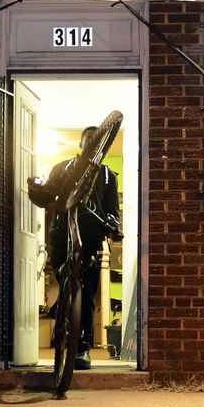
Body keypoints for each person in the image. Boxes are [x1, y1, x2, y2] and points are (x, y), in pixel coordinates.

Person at [27, 126, 121, 370]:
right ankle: (63, 306)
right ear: (81, 144)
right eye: (89, 141)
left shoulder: (108, 174)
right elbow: (48, 195)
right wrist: (35, 190)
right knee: (65, 278)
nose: (92, 145)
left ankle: (82, 348)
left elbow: (112, 209)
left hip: (91, 238)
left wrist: (112, 224)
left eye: (97, 142)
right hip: (62, 235)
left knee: (88, 295)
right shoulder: (63, 168)